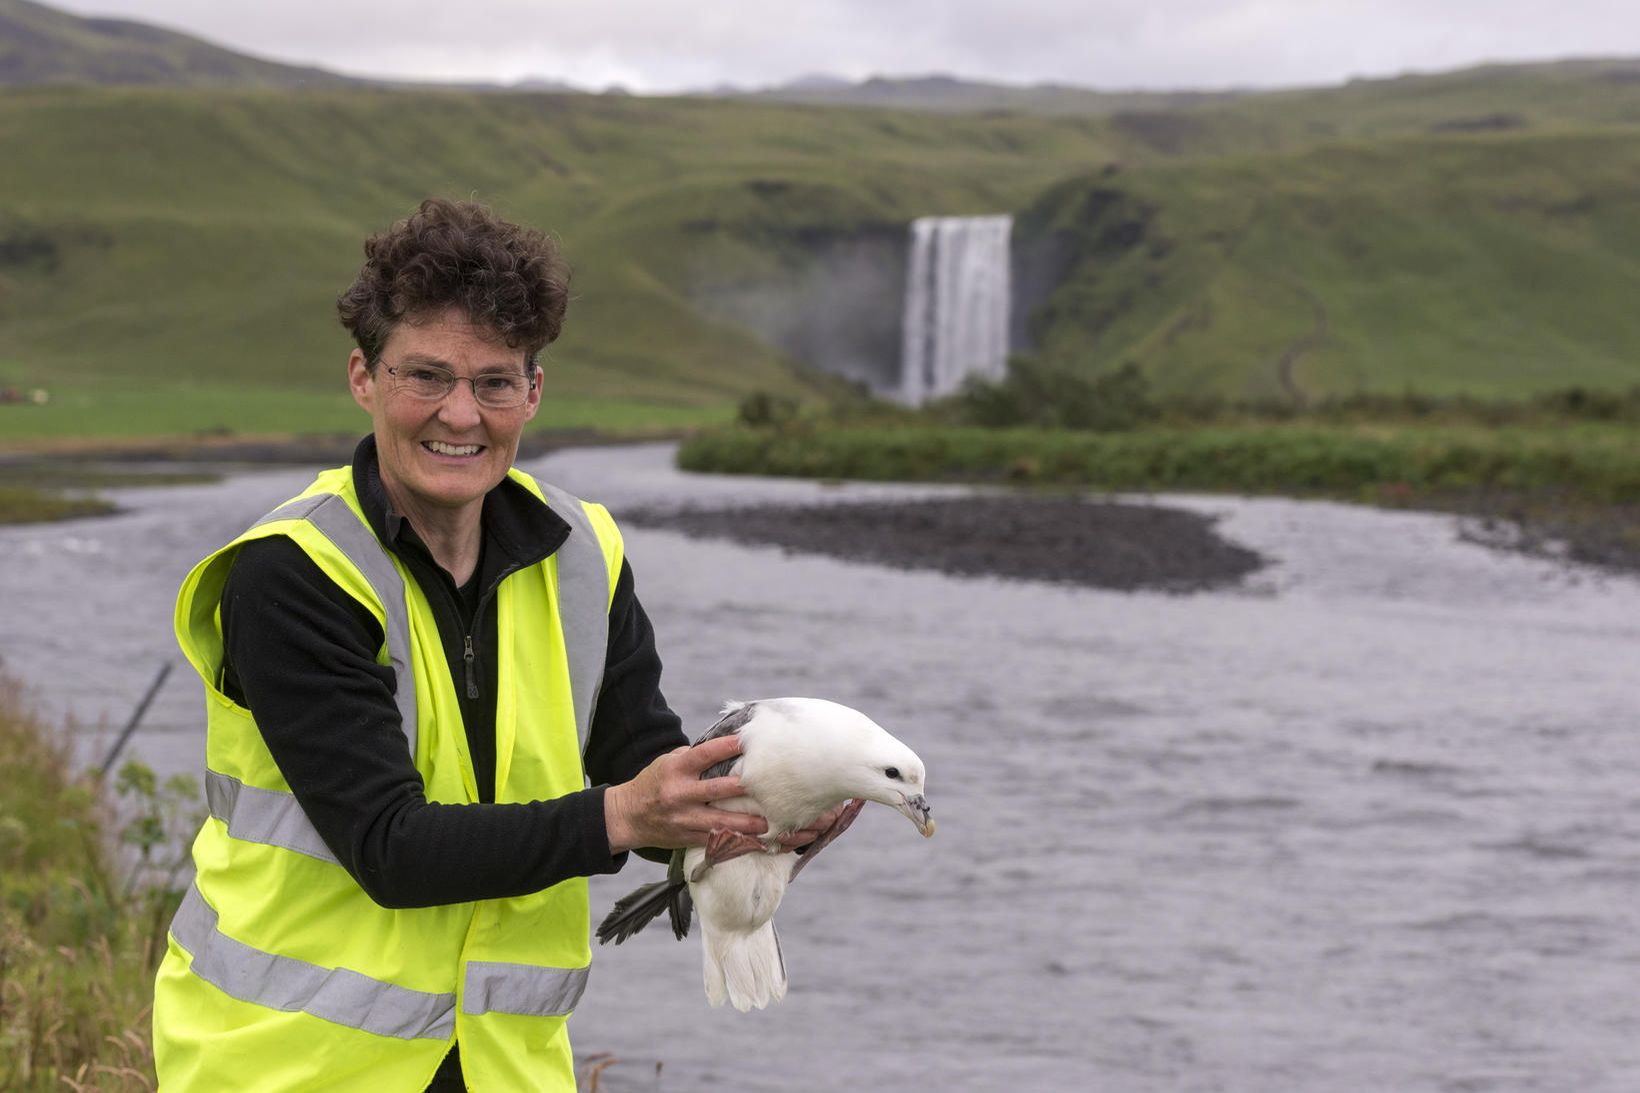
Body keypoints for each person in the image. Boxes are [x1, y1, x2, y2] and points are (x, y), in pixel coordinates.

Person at [152, 198, 835, 1091]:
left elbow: (643, 760)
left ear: (534, 391)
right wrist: (624, 815)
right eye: (426, 376)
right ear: (364, 377)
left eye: (494, 382)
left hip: (502, 1067)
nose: (461, 415)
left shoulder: (585, 554)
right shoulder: (294, 574)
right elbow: (390, 846)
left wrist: (757, 820)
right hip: (289, 1064)